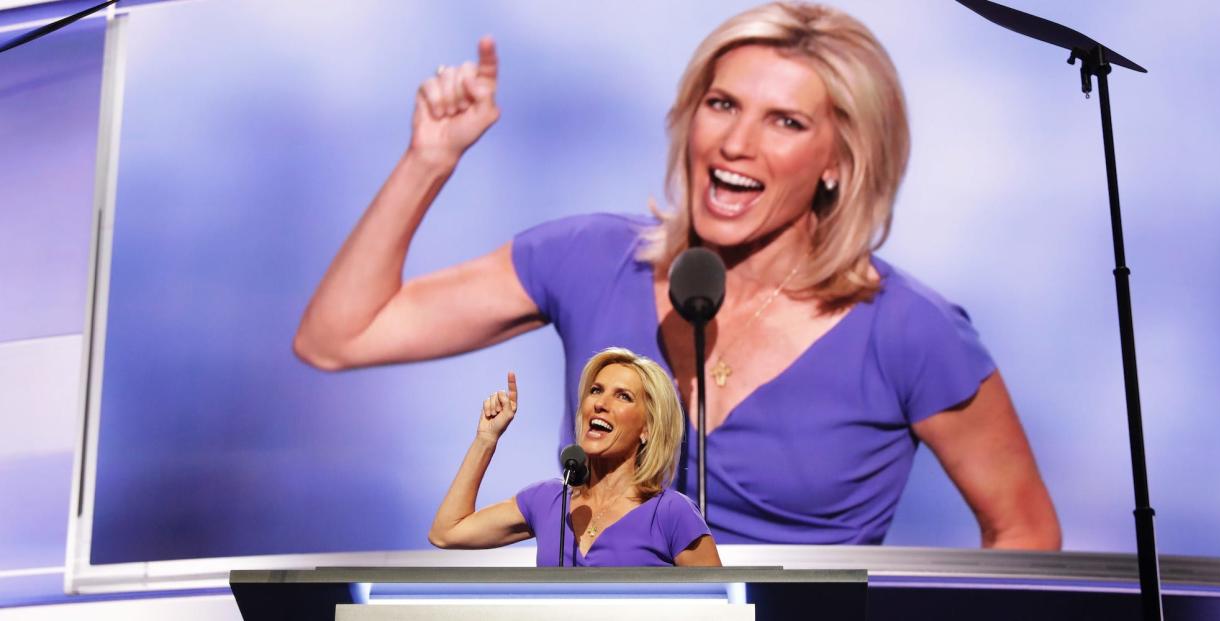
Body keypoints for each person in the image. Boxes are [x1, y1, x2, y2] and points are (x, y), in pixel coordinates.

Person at [295, 2, 1061, 549]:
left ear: (839, 163)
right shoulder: (591, 259)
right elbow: (339, 337)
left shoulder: (911, 330)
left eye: (785, 121)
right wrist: (430, 158)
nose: (737, 143)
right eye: (721, 103)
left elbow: (1024, 529)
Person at [428, 348, 721, 567]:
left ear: (648, 429)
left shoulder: (671, 513)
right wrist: (486, 439)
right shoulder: (548, 500)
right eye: (596, 390)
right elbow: (447, 532)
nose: (600, 404)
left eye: (623, 396)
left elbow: (719, 606)